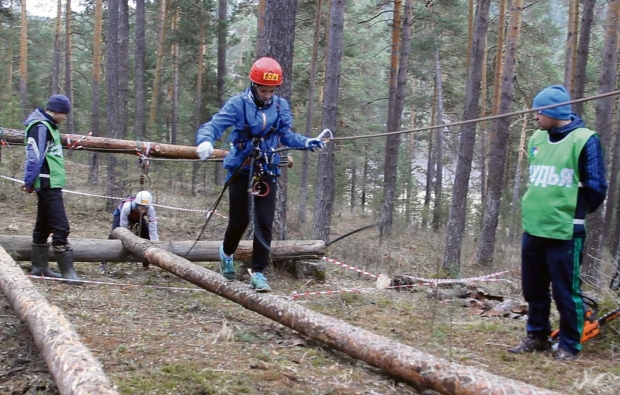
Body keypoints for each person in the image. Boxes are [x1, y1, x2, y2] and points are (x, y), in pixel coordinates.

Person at [195, 56, 325, 292]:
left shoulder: (279, 106)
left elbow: (287, 135)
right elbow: (214, 125)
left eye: (271, 90)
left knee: (264, 222)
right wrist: (205, 141)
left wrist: (307, 142)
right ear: (254, 85)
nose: (267, 95)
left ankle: (259, 273)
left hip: (267, 167)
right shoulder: (238, 104)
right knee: (240, 220)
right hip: (242, 167)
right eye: (263, 90)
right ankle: (226, 253)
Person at [509, 85, 607, 361]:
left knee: (565, 291)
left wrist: (573, 214)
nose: (536, 116)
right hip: (534, 228)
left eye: (540, 111)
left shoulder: (584, 139)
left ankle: (569, 345)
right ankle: (537, 335)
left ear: (554, 111)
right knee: (533, 288)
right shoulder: (537, 139)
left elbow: (597, 187)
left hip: (565, 232)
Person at [22, 94, 80, 281]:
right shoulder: (40, 127)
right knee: (61, 227)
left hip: (52, 182)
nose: (65, 118)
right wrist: (29, 182)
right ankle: (67, 273)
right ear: (57, 111)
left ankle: (39, 268)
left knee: (44, 225)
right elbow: (34, 156)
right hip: (47, 183)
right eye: (65, 114)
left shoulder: (49, 127)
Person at [105, 190, 159, 270]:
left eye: (145, 209)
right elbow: (122, 227)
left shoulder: (150, 209)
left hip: (137, 218)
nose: (143, 211)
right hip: (121, 215)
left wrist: (155, 242)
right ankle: (104, 261)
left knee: (146, 234)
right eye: (141, 208)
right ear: (137, 204)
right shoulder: (127, 207)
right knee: (115, 232)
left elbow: (153, 227)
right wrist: (124, 237)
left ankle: (145, 264)